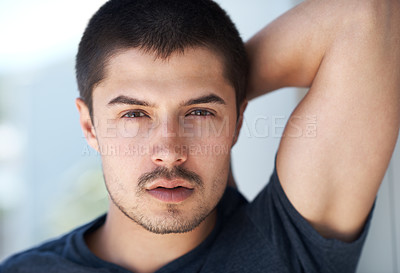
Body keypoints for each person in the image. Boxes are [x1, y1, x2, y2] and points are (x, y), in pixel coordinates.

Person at [1, 0, 399, 272]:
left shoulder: (283, 247)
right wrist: (213, 93)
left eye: (199, 112)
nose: (169, 152)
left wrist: (228, 84)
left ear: (239, 121)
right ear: (89, 126)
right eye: (135, 113)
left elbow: (367, 16)